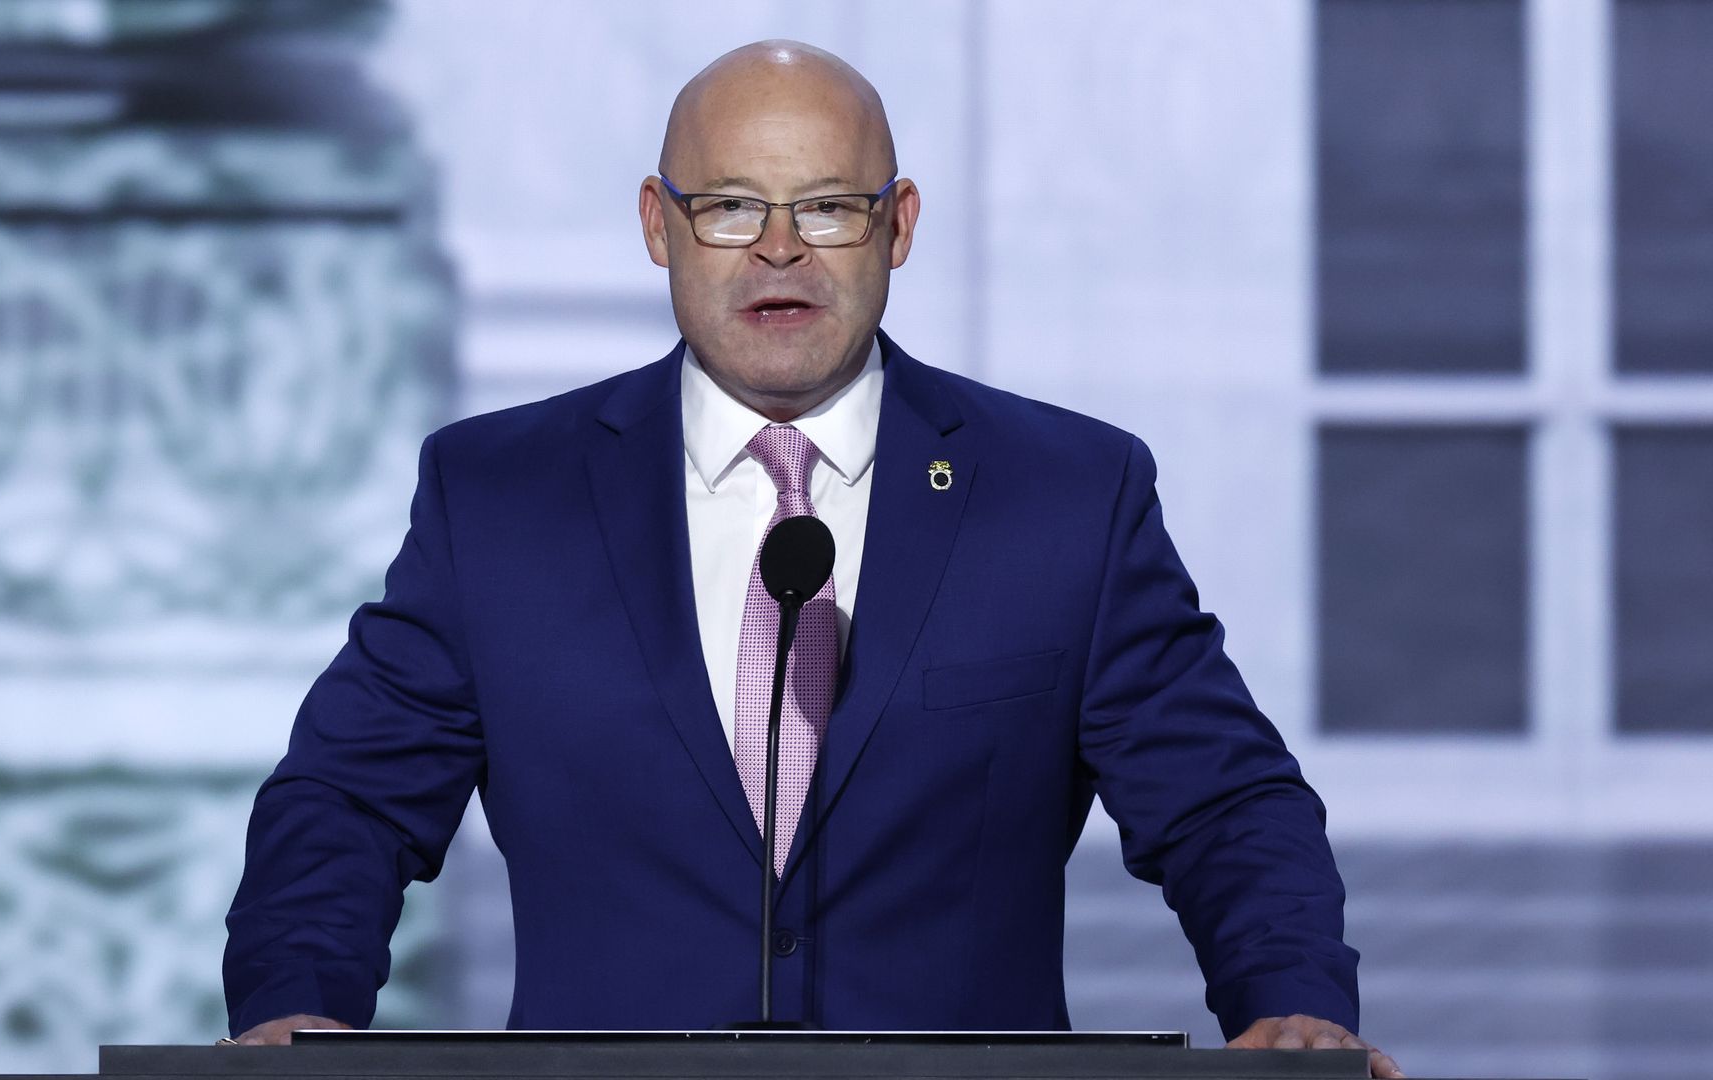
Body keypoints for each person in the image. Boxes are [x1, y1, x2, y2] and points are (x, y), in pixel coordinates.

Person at [222, 39, 1402, 1079]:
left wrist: (1291, 1008)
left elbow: (1226, 806)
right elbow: (348, 801)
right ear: (656, 224)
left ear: (900, 225)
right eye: (730, 207)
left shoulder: (1065, 498)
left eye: (828, 207)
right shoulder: (498, 499)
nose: (778, 249)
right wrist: (293, 1009)